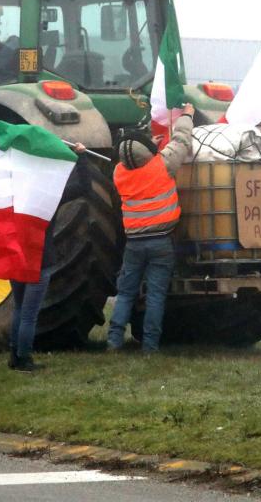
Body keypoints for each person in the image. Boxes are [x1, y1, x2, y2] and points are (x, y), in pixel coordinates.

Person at [107, 104, 195, 353]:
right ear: (148, 151)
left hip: (134, 244)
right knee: (156, 295)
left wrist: (148, 145)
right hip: (161, 243)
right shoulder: (163, 165)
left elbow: (133, 156)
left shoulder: (119, 173)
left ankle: (114, 340)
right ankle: (150, 346)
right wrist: (187, 114)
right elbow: (180, 139)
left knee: (125, 294)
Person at [8, 143, 90, 372]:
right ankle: (24, 359)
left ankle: (14, 355)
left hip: (17, 257)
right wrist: (81, 158)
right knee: (29, 315)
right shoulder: (49, 195)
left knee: (18, 308)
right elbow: (84, 188)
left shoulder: (12, 192)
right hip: (39, 259)